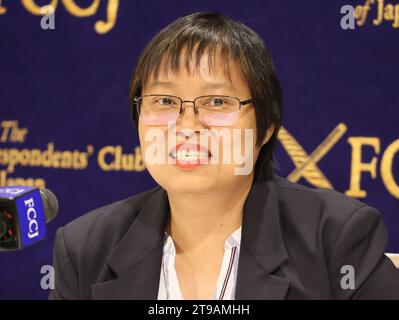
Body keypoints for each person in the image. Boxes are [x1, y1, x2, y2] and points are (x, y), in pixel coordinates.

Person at [49, 12, 399, 300]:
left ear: (266, 127)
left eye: (216, 102)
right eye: (166, 102)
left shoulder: (335, 240)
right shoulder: (85, 249)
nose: (187, 126)